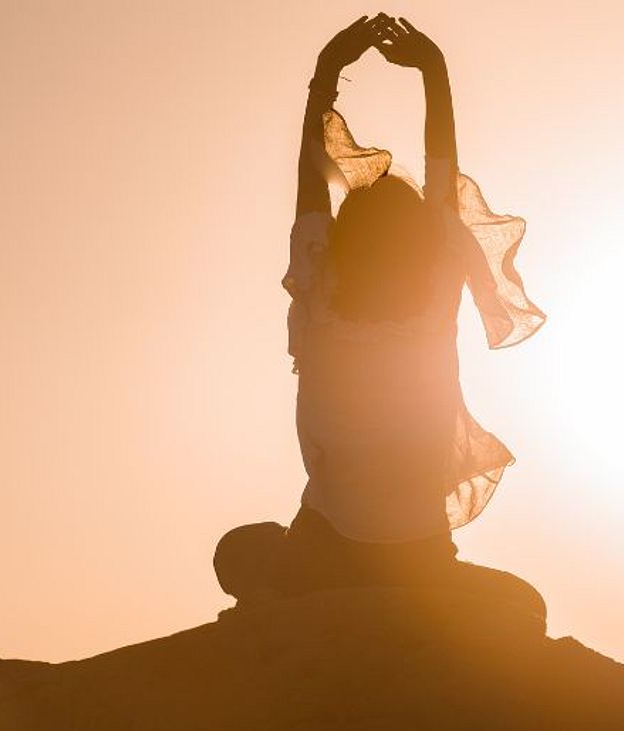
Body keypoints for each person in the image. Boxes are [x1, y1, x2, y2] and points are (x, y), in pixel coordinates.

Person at [216, 15, 545, 619]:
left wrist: (325, 79)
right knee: (522, 607)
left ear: (344, 239)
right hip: (418, 555)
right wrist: (433, 72)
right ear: (427, 241)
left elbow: (311, 184)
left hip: (326, 546)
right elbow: (442, 172)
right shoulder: (435, 299)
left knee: (238, 554)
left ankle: (323, 594)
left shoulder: (319, 292)